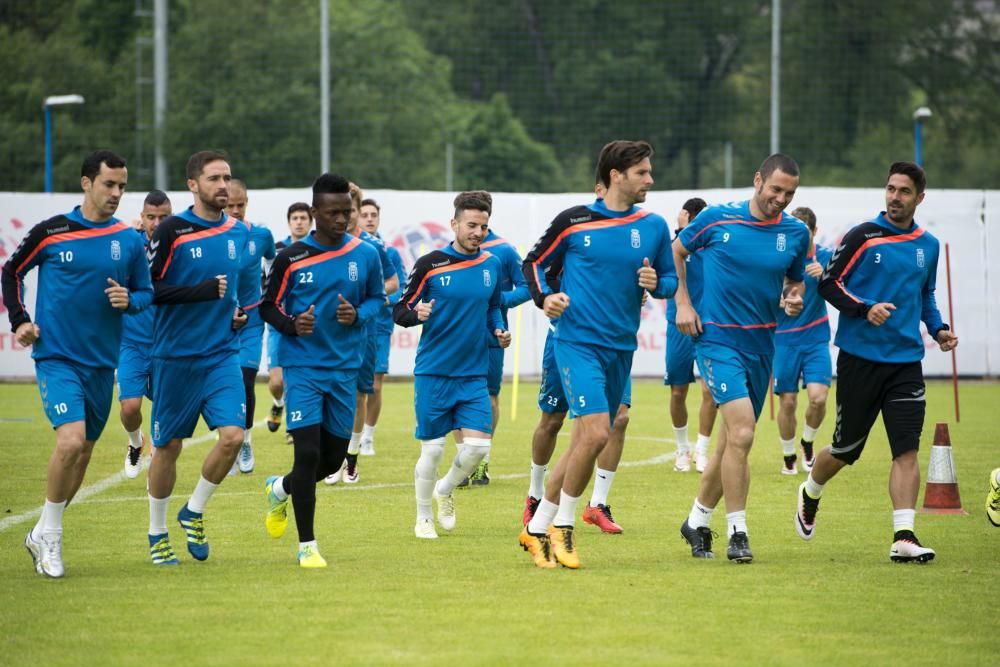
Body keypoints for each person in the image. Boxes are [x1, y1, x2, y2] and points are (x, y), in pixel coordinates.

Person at [520, 140, 676, 569]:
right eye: (642, 172)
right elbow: (532, 264)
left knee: (583, 443)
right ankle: (563, 528)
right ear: (616, 176)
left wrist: (654, 282)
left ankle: (536, 528)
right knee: (595, 434)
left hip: (620, 347)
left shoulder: (655, 226)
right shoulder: (574, 221)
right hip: (576, 343)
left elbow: (668, 282)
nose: (650, 179)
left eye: (649, 170)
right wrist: (546, 298)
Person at [796, 161, 958, 563]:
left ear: (920, 198)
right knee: (846, 450)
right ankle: (810, 490)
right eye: (890, 189)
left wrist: (938, 329)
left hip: (906, 363)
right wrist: (865, 308)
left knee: (905, 450)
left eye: (904, 191)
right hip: (860, 360)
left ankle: (903, 535)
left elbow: (926, 295)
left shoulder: (929, 245)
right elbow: (829, 284)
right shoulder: (863, 237)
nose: (894, 197)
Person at [2, 150, 152, 578]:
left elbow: (146, 293)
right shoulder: (53, 232)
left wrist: (131, 300)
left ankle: (42, 530)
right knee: (70, 443)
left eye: (122, 186)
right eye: (109, 184)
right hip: (57, 358)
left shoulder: (129, 240)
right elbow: (11, 271)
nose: (117, 193)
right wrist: (21, 320)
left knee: (83, 454)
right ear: (86, 183)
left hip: (102, 364)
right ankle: (51, 538)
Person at [675, 153, 810, 564]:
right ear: (757, 181)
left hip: (761, 345)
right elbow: (676, 252)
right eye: (775, 190)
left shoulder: (795, 233)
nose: (781, 199)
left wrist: (793, 299)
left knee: (731, 441)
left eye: (789, 193)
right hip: (716, 342)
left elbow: (796, 280)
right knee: (745, 433)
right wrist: (683, 302)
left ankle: (697, 519)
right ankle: (738, 530)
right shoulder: (716, 219)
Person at [261, 173, 385, 567]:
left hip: (345, 370)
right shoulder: (291, 258)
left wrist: (358, 314)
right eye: (332, 213)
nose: (341, 219)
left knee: (332, 461)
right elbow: (267, 307)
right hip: (304, 368)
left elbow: (377, 300)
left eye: (346, 212)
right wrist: (291, 324)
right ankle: (307, 545)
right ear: (314, 212)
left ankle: (279, 489)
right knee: (308, 453)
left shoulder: (365, 254)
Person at [145, 150, 250, 566]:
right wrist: (201, 292)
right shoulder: (172, 230)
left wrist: (235, 312)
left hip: (222, 353)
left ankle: (194, 510)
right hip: (174, 356)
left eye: (227, 177)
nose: (223, 185)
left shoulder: (239, 232)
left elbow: (232, 289)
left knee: (234, 437)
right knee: (168, 446)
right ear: (193, 185)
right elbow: (146, 290)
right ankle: (157, 532)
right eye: (213, 179)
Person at [393, 191, 509, 539]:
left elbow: (493, 307)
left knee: (477, 449)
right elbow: (400, 310)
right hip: (434, 372)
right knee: (433, 449)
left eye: (484, 227)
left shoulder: (492, 264)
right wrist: (417, 314)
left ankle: (444, 490)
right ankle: (423, 516)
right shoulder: (430, 264)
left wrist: (498, 330)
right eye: (472, 225)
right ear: (454, 223)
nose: (478, 232)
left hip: (474, 372)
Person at [523, 180, 635, 535]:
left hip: (613, 345)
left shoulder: (636, 232)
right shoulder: (574, 228)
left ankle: (597, 503)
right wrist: (548, 299)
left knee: (617, 419)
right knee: (553, 421)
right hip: (568, 342)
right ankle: (536, 495)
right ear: (603, 186)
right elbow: (538, 269)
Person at [454, 191, 531, 487]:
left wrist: (498, 301)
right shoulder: (449, 252)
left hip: (490, 336)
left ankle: (481, 460)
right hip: (457, 335)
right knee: (456, 397)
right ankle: (464, 460)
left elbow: (527, 287)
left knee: (488, 396)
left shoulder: (504, 250)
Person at [324, 183, 398, 485]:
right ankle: (332, 458)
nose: (348, 216)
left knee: (357, 395)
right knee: (329, 394)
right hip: (329, 333)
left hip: (365, 331)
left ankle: (351, 456)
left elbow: (392, 283)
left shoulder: (373, 248)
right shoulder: (326, 244)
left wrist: (370, 295)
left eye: (351, 210)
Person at [774, 206, 833, 475]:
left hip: (815, 337)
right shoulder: (777, 257)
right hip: (783, 341)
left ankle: (807, 442)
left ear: (814, 232)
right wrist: (778, 299)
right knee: (787, 402)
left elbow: (845, 288)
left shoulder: (825, 258)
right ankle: (788, 456)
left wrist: (826, 276)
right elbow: (759, 294)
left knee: (818, 399)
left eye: (804, 231)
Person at [119, 190, 172, 479]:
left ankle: (158, 447)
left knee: (164, 406)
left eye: (163, 217)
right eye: (151, 217)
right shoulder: (129, 245)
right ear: (142, 218)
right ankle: (135, 442)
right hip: (132, 342)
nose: (156, 222)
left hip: (167, 344)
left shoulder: (180, 247)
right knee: (130, 408)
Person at [225, 178, 276, 474]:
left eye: (240, 205)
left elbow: (273, 261)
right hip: (219, 321)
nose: (235, 210)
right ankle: (228, 441)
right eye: (229, 205)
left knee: (245, 379)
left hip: (253, 318)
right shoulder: (213, 236)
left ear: (247, 202)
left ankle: (244, 441)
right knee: (225, 382)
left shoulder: (261, 235)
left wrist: (268, 294)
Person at [664, 197, 718, 473]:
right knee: (678, 390)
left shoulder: (713, 244)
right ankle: (682, 449)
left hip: (708, 324)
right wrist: (682, 230)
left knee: (710, 391)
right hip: (678, 325)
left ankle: (702, 450)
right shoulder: (673, 245)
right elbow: (670, 264)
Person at [357, 197, 405, 456]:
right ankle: (350, 435)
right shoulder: (351, 249)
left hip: (380, 326)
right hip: (355, 325)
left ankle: (368, 436)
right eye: (364, 214)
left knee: (375, 384)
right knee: (354, 385)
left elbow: (402, 285)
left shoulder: (390, 251)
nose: (369, 218)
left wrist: (384, 298)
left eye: (373, 214)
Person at [264, 202, 313, 444]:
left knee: (297, 379)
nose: (299, 221)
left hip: (305, 326)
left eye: (303, 217)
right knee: (276, 381)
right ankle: (278, 402)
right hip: (278, 325)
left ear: (310, 221)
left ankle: (294, 427)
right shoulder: (277, 251)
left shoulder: (316, 251)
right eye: (295, 217)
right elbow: (267, 285)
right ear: (289, 221)